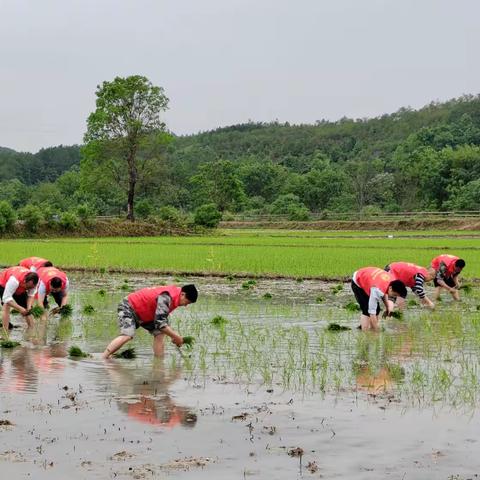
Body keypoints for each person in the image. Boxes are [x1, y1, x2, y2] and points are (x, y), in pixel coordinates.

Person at [103, 284, 198, 358]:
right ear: (183, 294)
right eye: (187, 302)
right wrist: (176, 337)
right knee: (127, 335)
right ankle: (103, 358)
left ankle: (159, 363)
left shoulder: (176, 297)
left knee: (160, 334)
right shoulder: (166, 296)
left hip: (146, 313)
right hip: (129, 307)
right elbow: (160, 323)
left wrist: (174, 336)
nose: (186, 305)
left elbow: (162, 321)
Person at [351, 267, 407, 331]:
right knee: (366, 310)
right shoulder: (377, 290)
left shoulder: (393, 281)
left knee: (377, 310)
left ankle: (371, 328)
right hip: (358, 281)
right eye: (394, 295)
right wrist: (377, 331)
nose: (393, 297)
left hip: (370, 277)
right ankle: (365, 332)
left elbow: (385, 293)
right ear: (391, 288)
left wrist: (387, 307)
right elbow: (372, 312)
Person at [0, 266, 39, 331]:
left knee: (26, 308)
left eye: (31, 288)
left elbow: (31, 295)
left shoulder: (34, 283)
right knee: (6, 305)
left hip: (19, 286)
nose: (28, 289)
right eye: (27, 287)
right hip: (3, 282)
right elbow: (6, 298)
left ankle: (32, 329)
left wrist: (29, 307)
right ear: (24, 281)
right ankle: (5, 331)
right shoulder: (14, 281)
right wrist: (20, 309)